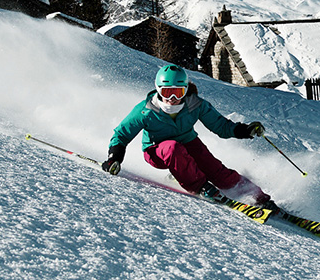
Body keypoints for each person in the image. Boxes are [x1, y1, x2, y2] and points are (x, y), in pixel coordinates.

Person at [101, 64, 278, 212]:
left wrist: (245, 130)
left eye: (177, 92)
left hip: (188, 142)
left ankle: (258, 197)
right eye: (166, 92)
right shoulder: (146, 110)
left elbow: (221, 126)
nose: (171, 98)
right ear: (158, 90)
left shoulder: (195, 105)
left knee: (215, 169)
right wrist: (114, 158)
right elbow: (122, 133)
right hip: (156, 150)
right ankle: (201, 186)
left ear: (185, 91)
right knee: (173, 148)